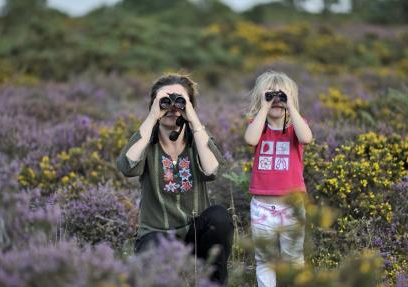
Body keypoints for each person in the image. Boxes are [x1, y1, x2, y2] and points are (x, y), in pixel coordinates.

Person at [116, 74, 233, 285]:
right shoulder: (146, 141)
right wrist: (152, 118)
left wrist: (194, 122)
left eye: (180, 101)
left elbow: (212, 170)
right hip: (157, 236)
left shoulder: (196, 139)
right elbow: (127, 166)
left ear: (190, 106)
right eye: (165, 102)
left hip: (195, 234)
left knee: (220, 216)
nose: (172, 107)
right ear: (153, 106)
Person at [244, 70, 313, 287]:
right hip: (262, 207)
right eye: (270, 96)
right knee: (264, 260)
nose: (277, 101)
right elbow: (250, 139)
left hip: (291, 206)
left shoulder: (296, 127)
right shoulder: (258, 126)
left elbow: (307, 138)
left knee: (293, 260)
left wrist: (290, 106)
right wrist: (264, 108)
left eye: (282, 96)